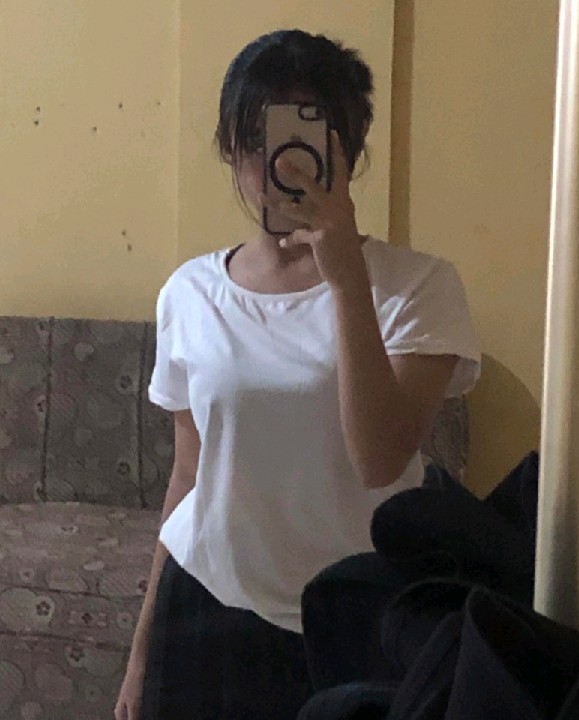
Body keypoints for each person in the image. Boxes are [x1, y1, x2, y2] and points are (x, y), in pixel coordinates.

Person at [114, 28, 480, 720]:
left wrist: (346, 278)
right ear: (230, 148)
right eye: (255, 138)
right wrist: (139, 655)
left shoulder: (419, 288)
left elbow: (380, 458)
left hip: (354, 618)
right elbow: (188, 475)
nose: (275, 162)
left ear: (348, 147)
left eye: (303, 137)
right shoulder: (190, 292)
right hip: (206, 606)